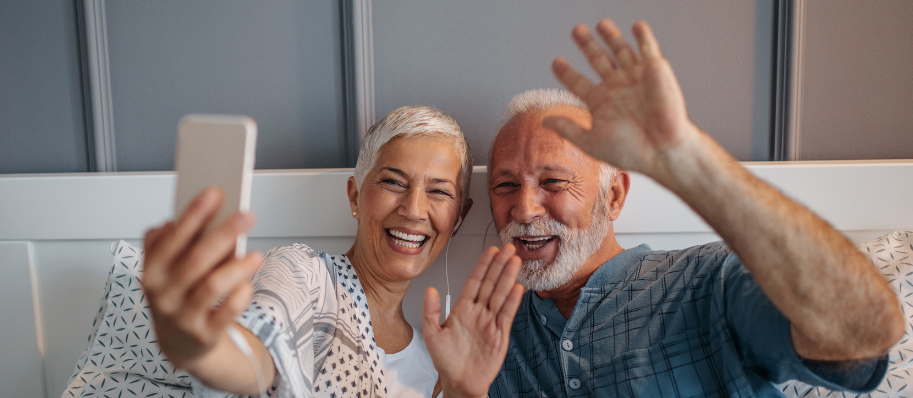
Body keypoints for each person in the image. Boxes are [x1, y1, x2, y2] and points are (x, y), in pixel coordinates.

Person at [477, 19, 904, 397]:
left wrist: (691, 163)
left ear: (613, 197)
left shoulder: (708, 283)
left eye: (553, 182)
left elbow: (864, 334)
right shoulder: (490, 338)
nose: (525, 209)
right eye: (505, 185)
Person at [140, 106, 525, 397]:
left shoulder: (438, 361)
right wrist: (198, 349)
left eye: (439, 191)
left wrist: (463, 391)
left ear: (459, 217)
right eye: (393, 181)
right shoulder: (303, 274)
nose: (413, 209)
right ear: (356, 196)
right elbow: (255, 357)